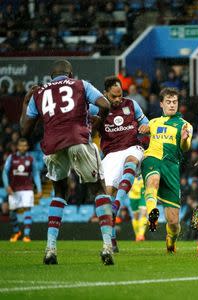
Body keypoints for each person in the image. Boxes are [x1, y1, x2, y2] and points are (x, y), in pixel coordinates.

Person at [20, 59, 114, 265]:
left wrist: (25, 103)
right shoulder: (80, 85)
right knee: (98, 190)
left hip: (52, 145)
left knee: (59, 193)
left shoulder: (40, 92)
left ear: (51, 78)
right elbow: (105, 105)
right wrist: (96, 122)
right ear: (70, 75)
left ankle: (50, 249)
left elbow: (25, 131)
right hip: (78, 139)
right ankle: (108, 246)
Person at [93, 76, 149, 252]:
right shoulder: (98, 108)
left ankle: (117, 205)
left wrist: (146, 127)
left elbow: (145, 122)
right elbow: (90, 129)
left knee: (131, 161)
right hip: (110, 154)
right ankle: (111, 240)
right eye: (113, 96)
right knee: (106, 193)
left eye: (120, 95)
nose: (118, 99)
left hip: (133, 147)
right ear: (105, 94)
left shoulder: (131, 104)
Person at [140, 87, 193, 253]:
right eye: (168, 102)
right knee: (153, 180)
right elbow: (140, 132)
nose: (172, 105)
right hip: (152, 158)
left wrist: (184, 139)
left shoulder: (185, 125)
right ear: (161, 104)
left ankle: (171, 241)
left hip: (172, 167)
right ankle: (152, 213)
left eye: (175, 102)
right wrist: (143, 129)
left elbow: (185, 148)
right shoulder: (153, 122)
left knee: (173, 222)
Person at [2, 138, 42, 242]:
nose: (23, 147)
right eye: (21, 145)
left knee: (27, 209)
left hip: (27, 188)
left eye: (25, 145)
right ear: (18, 147)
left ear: (27, 147)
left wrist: (39, 188)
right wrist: (7, 186)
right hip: (14, 189)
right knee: (12, 213)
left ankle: (26, 235)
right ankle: (16, 231)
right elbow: (5, 172)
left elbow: (36, 174)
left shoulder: (30, 159)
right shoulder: (12, 157)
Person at [128, 175, 147, 241]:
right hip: (133, 195)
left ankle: (141, 235)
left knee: (144, 212)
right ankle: (137, 235)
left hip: (143, 192)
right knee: (136, 216)